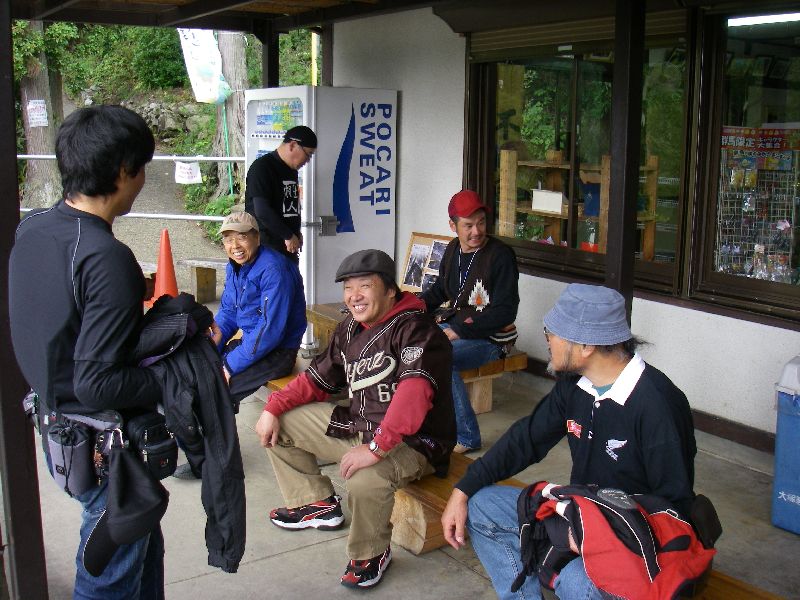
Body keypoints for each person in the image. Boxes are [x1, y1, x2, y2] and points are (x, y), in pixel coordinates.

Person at [440, 284, 698, 600]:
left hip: (635, 542)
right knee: (483, 505)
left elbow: (673, 508)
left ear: (586, 345)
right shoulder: (575, 385)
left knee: (576, 579)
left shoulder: (657, 404)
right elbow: (525, 440)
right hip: (580, 517)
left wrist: (600, 538)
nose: (547, 340)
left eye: (552, 332)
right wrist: (463, 489)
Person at [9, 106, 166, 599]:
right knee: (107, 581)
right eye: (142, 167)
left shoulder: (33, 228)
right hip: (104, 451)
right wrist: (174, 379)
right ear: (123, 170)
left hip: (56, 429)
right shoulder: (105, 258)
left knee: (141, 550)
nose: (142, 180)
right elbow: (97, 383)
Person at [255, 249, 455, 589]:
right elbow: (316, 380)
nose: (354, 295)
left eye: (365, 285)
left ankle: (371, 552)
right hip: (360, 425)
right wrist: (273, 407)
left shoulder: (418, 330)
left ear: (389, 290)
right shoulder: (350, 327)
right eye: (348, 287)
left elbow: (414, 395)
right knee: (280, 424)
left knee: (365, 479)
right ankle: (315, 502)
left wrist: (376, 448)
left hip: (415, 442)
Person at [421, 189, 520, 453]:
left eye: (481, 223)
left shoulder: (500, 255)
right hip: (455, 325)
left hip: (491, 338)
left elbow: (506, 311)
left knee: (440, 357)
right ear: (452, 226)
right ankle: (424, 423)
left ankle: (466, 437)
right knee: (410, 347)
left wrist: (458, 330)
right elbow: (440, 290)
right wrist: (410, 307)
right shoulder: (453, 249)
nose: (477, 231)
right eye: (468, 225)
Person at [212, 211, 306, 405]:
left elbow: (270, 330)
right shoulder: (234, 267)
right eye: (228, 239)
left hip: (279, 351)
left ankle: (216, 424)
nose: (235, 246)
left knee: (218, 391)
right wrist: (212, 345)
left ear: (257, 237)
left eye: (242, 237)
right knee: (203, 370)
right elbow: (228, 313)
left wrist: (229, 365)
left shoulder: (274, 269)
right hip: (251, 342)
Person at [245, 125, 316, 263]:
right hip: (267, 247)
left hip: (287, 248)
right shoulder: (262, 167)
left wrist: (296, 232)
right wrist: (288, 235)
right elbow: (262, 211)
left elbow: (289, 207)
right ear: (293, 145)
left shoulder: (291, 170)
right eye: (308, 154)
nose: (307, 160)